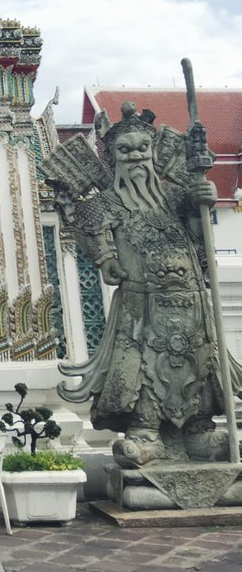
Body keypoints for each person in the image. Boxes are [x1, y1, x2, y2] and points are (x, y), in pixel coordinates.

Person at [51, 101, 242, 468]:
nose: (136, 156)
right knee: (139, 363)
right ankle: (146, 431)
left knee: (199, 362)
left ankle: (198, 430)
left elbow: (200, 231)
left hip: (190, 302)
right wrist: (107, 260)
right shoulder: (107, 202)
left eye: (143, 148)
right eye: (125, 150)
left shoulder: (174, 195)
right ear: (112, 157)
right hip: (142, 305)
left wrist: (203, 197)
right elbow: (88, 233)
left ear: (154, 152)